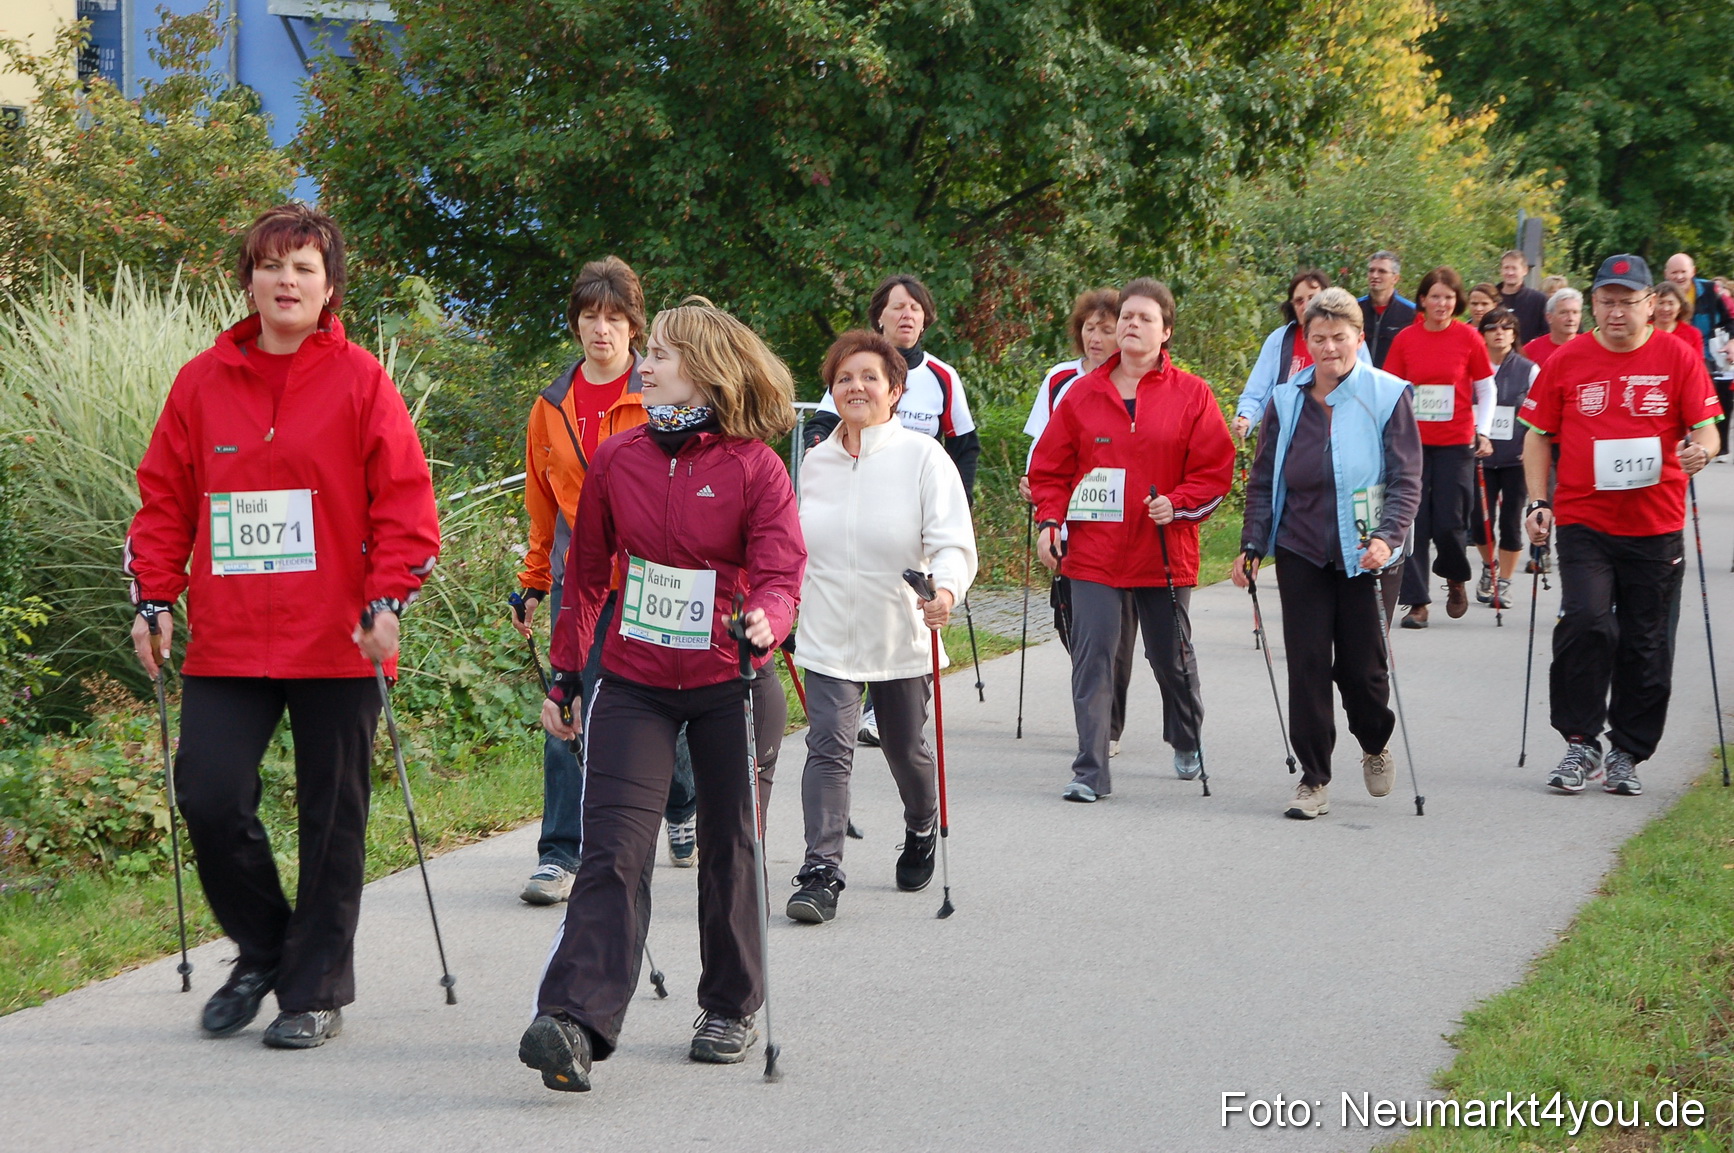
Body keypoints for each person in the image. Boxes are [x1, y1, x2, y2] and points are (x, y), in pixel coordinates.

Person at [124, 204, 441, 1049]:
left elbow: (407, 506)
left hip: (337, 641)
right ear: (250, 281)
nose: (286, 280)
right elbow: (162, 503)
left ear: (329, 286)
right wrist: (154, 598)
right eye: (272, 266)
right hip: (230, 641)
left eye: (304, 267)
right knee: (209, 793)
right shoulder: (200, 382)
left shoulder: (363, 380)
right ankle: (264, 948)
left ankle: (315, 988)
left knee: (334, 816)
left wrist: (387, 599)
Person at [522, 299, 802, 1090]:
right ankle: (574, 1019)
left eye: (665, 354)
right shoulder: (620, 459)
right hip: (637, 679)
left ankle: (729, 1005)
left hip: (731, 678)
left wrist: (767, 620)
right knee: (613, 847)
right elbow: (586, 576)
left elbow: (782, 571)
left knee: (730, 844)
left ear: (707, 367)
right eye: (651, 353)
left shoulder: (755, 467)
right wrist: (569, 671)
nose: (647, 364)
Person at [510, 256, 701, 906]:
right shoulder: (551, 406)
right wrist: (534, 579)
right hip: (581, 581)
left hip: (652, 577)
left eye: (614, 317)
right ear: (576, 324)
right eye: (590, 316)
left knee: (655, 705)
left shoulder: (658, 390)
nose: (602, 329)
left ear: (633, 324)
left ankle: (681, 798)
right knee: (568, 706)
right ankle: (559, 852)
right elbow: (542, 500)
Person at [785, 330, 977, 923]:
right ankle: (822, 869)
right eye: (844, 378)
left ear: (895, 390)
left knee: (904, 748)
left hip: (898, 631)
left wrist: (945, 590)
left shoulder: (923, 457)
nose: (856, 386)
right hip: (827, 633)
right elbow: (790, 548)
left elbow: (951, 541)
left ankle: (920, 826)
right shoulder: (813, 464)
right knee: (828, 747)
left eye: (870, 377)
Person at [1520, 254, 1721, 797]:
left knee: (1646, 642)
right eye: (1605, 300)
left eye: (1626, 301)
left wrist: (1699, 453)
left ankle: (1628, 750)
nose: (1615, 311)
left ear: (1650, 305)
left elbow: (1708, 431)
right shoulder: (1567, 360)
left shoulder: (1679, 358)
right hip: (1586, 517)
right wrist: (1538, 500)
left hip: (1656, 524)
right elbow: (1537, 434)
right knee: (1587, 620)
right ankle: (1580, 741)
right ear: (1593, 304)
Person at [1028, 278, 1235, 802]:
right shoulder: (1082, 393)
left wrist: (1179, 502)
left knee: (1170, 657)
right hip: (1094, 552)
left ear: (1166, 331)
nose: (1131, 325)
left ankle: (1186, 736)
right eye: (1125, 317)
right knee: (1092, 655)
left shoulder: (1192, 394)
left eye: (1144, 318)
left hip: (1163, 550)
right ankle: (1091, 769)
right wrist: (1050, 522)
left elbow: (1215, 471)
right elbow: (1050, 469)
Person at [1233, 287, 1422, 819]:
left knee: (1363, 669)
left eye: (1340, 338)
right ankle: (1314, 779)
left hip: (1368, 551)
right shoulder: (1286, 399)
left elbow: (1406, 478)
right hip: (1301, 548)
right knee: (1310, 664)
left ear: (1359, 339)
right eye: (1318, 338)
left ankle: (1374, 739)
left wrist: (1387, 536)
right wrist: (1253, 543)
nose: (1329, 348)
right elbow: (1265, 477)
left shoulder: (1387, 394)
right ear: (1306, 343)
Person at [1019, 288, 1137, 755]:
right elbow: (1041, 442)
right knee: (1070, 622)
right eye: (1089, 327)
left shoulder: (1132, 383)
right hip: (1062, 519)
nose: (1096, 336)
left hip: (1115, 528)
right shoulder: (1058, 379)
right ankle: (1098, 696)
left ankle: (1105, 724)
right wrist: (1032, 483)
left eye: (1106, 329)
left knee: (1114, 630)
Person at [1383, 266, 1496, 628]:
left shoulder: (1469, 338)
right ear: (1422, 299)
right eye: (1435, 296)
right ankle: (1417, 602)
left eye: (1448, 297)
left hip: (1456, 443)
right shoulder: (1405, 339)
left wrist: (1484, 429)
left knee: (1450, 522)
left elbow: (1486, 388)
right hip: (1413, 445)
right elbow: (1391, 389)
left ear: (1456, 301)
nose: (1442, 303)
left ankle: (1455, 578)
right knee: (1415, 521)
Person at [805, 274, 980, 498]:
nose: (907, 315)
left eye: (915, 308)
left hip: (919, 495)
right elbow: (821, 426)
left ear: (924, 320)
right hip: (859, 490)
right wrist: (815, 447)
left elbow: (964, 448)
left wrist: (959, 504)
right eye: (898, 307)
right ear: (879, 317)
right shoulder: (854, 368)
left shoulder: (943, 375)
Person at [1232, 270, 1371, 439]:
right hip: (1289, 435)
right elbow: (1257, 393)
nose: (1306, 306)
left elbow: (1366, 390)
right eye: (1299, 301)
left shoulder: (1348, 340)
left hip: (1340, 433)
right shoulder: (1279, 340)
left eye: (1312, 298)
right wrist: (1245, 417)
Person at [1468, 308, 1539, 606]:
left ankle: (1504, 583)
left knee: (1510, 522)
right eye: (1492, 327)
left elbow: (1541, 411)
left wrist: (1533, 445)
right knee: (1479, 521)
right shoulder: (1471, 367)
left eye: (1506, 327)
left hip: (1515, 457)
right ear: (1482, 333)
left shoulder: (1529, 369)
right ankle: (1489, 566)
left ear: (1514, 334)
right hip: (1477, 457)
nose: (1499, 332)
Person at [1663, 252, 1734, 378]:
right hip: (1671, 356)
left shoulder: (1711, 290)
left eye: (1683, 272)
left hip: (1707, 356)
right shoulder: (1659, 294)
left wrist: (1732, 341)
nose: (1679, 277)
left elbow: (1731, 316)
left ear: (1693, 271)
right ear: (1666, 274)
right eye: (1674, 273)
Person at [1359, 250, 1417, 368]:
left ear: (1395, 278)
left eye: (1382, 271)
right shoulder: (1353, 308)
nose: (1375, 275)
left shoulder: (1411, 313)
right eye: (1371, 270)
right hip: (1358, 381)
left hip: (1393, 382)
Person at [1495, 250, 1550, 344]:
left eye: (1514, 268)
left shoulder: (1538, 300)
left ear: (1525, 270)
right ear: (1501, 270)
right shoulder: (1490, 298)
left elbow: (1548, 332)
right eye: (1506, 268)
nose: (1510, 272)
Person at [1522, 288, 1584, 367]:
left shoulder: (1591, 348)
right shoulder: (1530, 351)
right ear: (1549, 317)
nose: (1571, 318)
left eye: (1575, 312)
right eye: (1563, 312)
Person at [1653, 281, 1706, 362]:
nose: (1665, 308)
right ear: (1651, 305)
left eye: (1671, 304)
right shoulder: (1641, 332)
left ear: (1680, 307)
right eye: (1661, 303)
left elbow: (1698, 366)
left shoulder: (1692, 334)